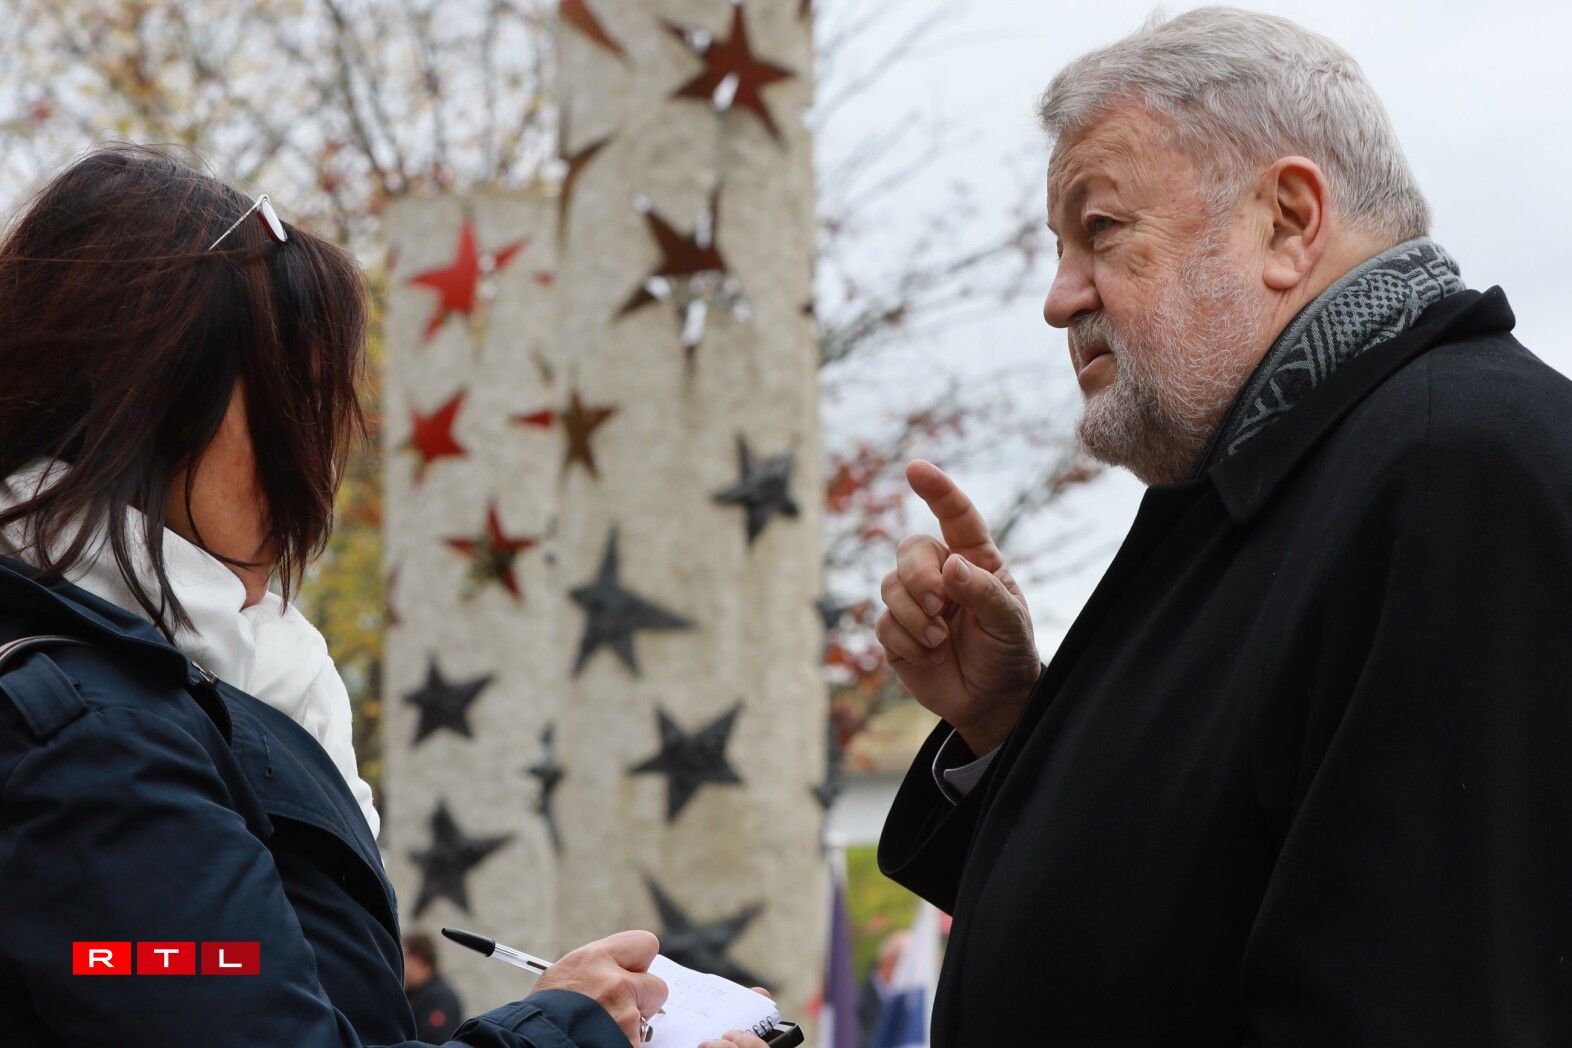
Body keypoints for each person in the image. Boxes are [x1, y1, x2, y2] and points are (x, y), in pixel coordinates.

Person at [875, 8, 1572, 1045]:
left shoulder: (1451, 475)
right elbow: (1165, 929)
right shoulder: (1279, 479)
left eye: (1100, 230)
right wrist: (1013, 728)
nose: (1059, 299)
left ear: (1288, 220)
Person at [0, 143, 770, 1048]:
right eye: (292, 406)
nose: (319, 465)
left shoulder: (152, 690)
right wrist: (570, 1029)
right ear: (153, 405)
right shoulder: (91, 739)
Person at [404, 932, 466, 1043]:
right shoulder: (412, 993)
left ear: (418, 959)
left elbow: (434, 1040)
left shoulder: (442, 998)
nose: (403, 965)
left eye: (406, 957)